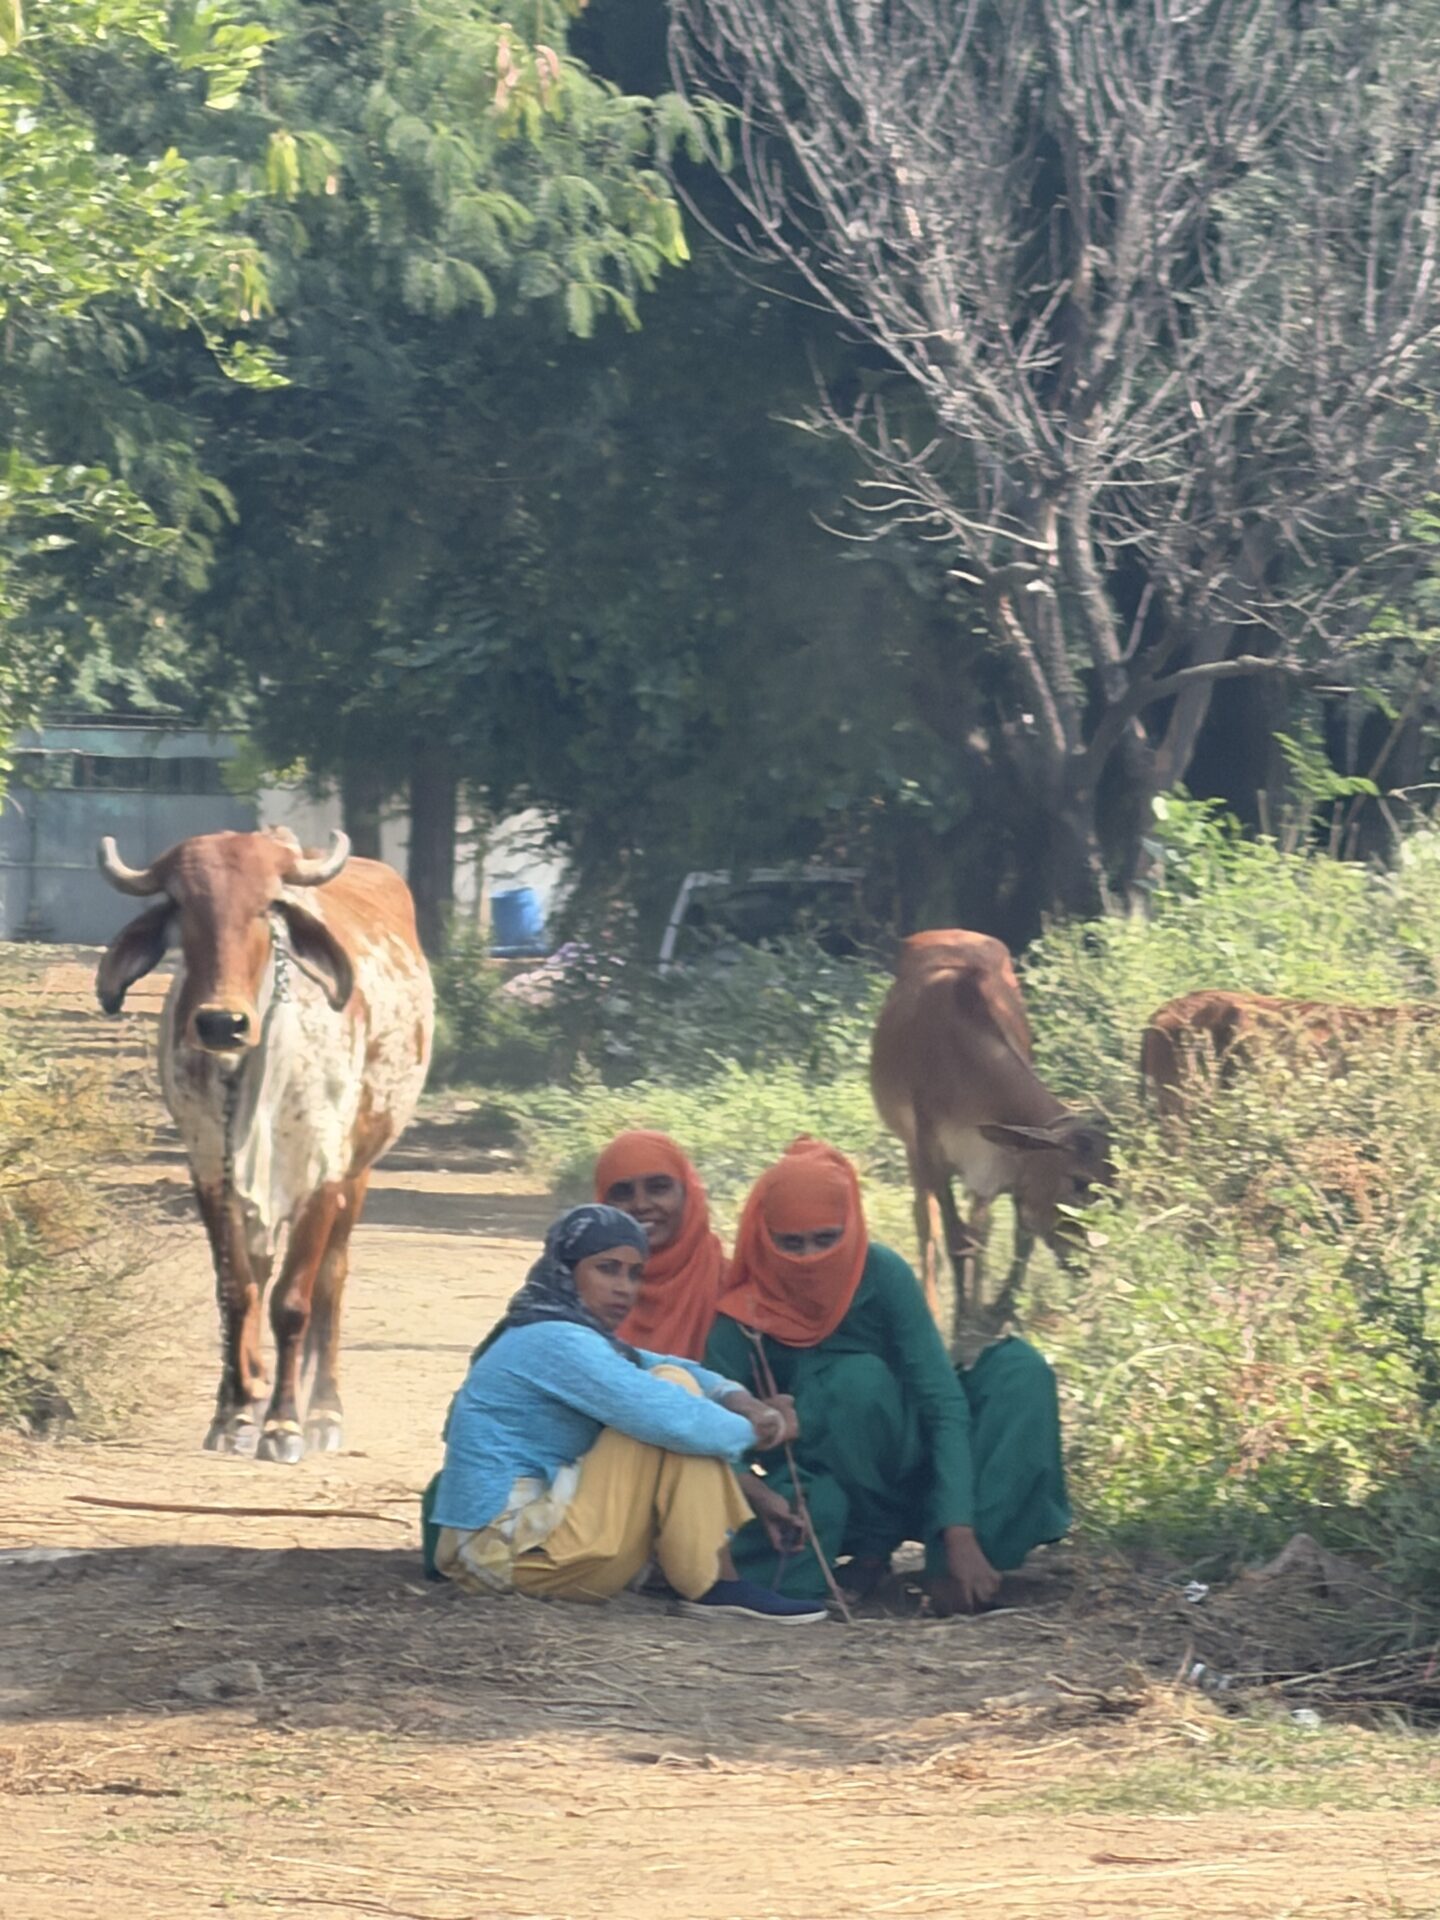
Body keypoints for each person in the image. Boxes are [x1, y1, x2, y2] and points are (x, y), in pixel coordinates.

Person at [703, 1139, 1071, 1614]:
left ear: (851, 1229)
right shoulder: (741, 1319)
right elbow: (710, 1434)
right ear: (763, 1236)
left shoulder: (881, 1274)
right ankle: (870, 1555)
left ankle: (966, 1568)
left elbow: (941, 1402)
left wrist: (958, 1530)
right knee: (854, 1383)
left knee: (1020, 1372)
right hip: (829, 1488)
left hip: (917, 1463)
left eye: (826, 1239)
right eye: (791, 1243)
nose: (810, 1258)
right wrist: (762, 1470)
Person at [428, 1203, 829, 1624]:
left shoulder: (566, 1334)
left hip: (528, 1553)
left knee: (672, 1382)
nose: (625, 1288)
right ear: (566, 1269)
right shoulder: (551, 1340)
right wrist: (763, 1429)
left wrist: (741, 1401)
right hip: (502, 1556)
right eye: (607, 1269)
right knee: (670, 1402)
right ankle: (715, 1583)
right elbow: (676, 1420)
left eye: (635, 1274)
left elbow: (664, 1364)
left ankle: (714, 1581)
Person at [594, 1129, 727, 1360]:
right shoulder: (581, 1287)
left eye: (658, 1188)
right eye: (623, 1193)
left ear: (687, 1194)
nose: (641, 1205)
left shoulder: (729, 1285)